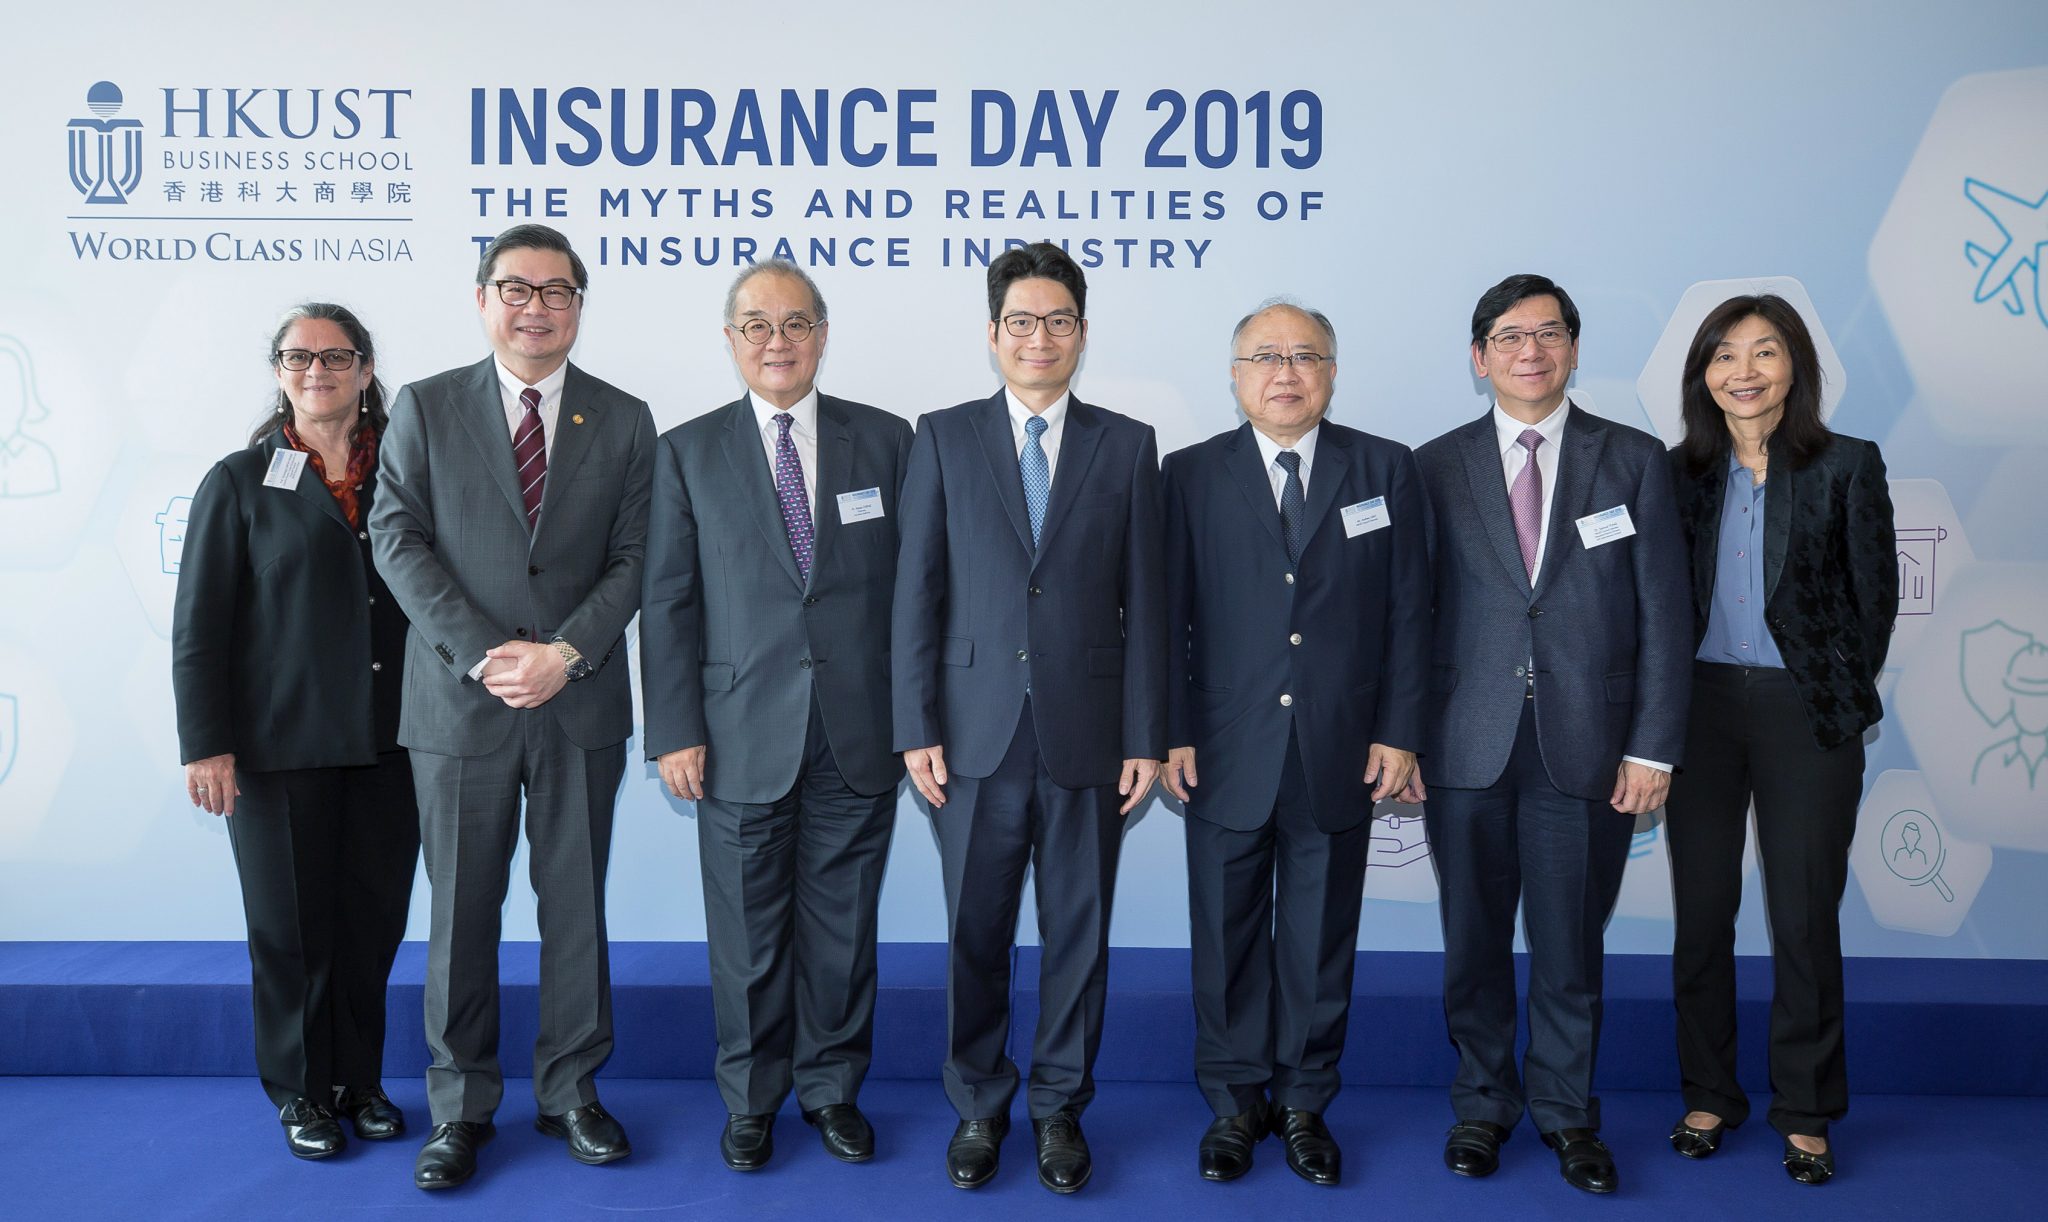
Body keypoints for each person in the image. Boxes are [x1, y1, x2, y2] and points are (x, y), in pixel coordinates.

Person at [369, 224, 655, 1190]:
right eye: (517, 288)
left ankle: (572, 1091)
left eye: (557, 292)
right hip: (461, 706)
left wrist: (565, 654)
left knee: (574, 908)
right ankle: (459, 1106)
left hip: (577, 702)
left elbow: (635, 558)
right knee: (460, 914)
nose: (537, 307)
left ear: (580, 305)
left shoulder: (622, 417)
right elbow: (396, 535)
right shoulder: (426, 405)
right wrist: (488, 655)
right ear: (482, 298)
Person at [892, 241, 1166, 1194]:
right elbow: (915, 594)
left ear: (1081, 334)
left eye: (1058, 321)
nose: (1039, 337)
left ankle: (1058, 1109)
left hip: (1090, 737)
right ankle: (978, 1104)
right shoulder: (944, 434)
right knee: (976, 931)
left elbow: (1147, 603)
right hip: (970, 738)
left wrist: (1143, 734)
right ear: (993, 334)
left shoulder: (1128, 444)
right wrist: (913, 725)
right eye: (1021, 321)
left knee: (1078, 935)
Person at [1412, 273, 1690, 1195]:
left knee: (1573, 944)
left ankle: (1569, 1115)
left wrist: (1653, 746)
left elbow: (1665, 612)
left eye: (1548, 334)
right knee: (1475, 940)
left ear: (1572, 348)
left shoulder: (1635, 459)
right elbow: (1408, 615)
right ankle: (1483, 1107)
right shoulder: (1433, 464)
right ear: (1479, 356)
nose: (1529, 351)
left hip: (1591, 744)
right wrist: (1403, 737)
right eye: (1508, 336)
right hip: (1465, 744)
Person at [640, 260, 912, 1172]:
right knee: (748, 940)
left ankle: (831, 1089)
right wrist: (675, 726)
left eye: (796, 324)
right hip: (733, 734)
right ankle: (751, 1099)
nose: (778, 342)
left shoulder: (888, 441)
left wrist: (917, 720)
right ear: (731, 341)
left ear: (823, 336)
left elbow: (917, 598)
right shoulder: (684, 451)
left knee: (841, 934)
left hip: (856, 733)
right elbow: (668, 601)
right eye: (757, 325)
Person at [1159, 300, 1430, 1186]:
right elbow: (1165, 621)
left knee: (1319, 941)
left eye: (1306, 355)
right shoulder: (1189, 474)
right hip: (1224, 749)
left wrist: (1399, 730)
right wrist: (1166, 732)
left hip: (1341, 747)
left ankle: (1306, 1103)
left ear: (1333, 371)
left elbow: (1409, 614)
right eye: (1266, 357)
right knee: (1227, 939)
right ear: (1235, 378)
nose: (1286, 372)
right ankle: (1237, 1105)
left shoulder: (1385, 468)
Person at [171, 302, 419, 1160]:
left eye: (336, 355)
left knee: (372, 923)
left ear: (364, 367)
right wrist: (207, 742)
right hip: (278, 750)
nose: (318, 371)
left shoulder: (410, 467)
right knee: (291, 931)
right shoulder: (240, 480)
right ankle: (302, 1094)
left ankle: (361, 1082)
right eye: (298, 357)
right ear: (279, 372)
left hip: (396, 742)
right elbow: (200, 625)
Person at [1663, 293, 1896, 1187]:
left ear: (1794, 366)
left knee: (1803, 918)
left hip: (1808, 713)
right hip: (1701, 711)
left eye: (1764, 353)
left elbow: (1873, 604)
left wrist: (1820, 682)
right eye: (1725, 356)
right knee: (1703, 915)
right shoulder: (1677, 472)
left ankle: (1805, 1110)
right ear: (1704, 376)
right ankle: (1710, 1093)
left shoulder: (1846, 465)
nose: (1745, 372)